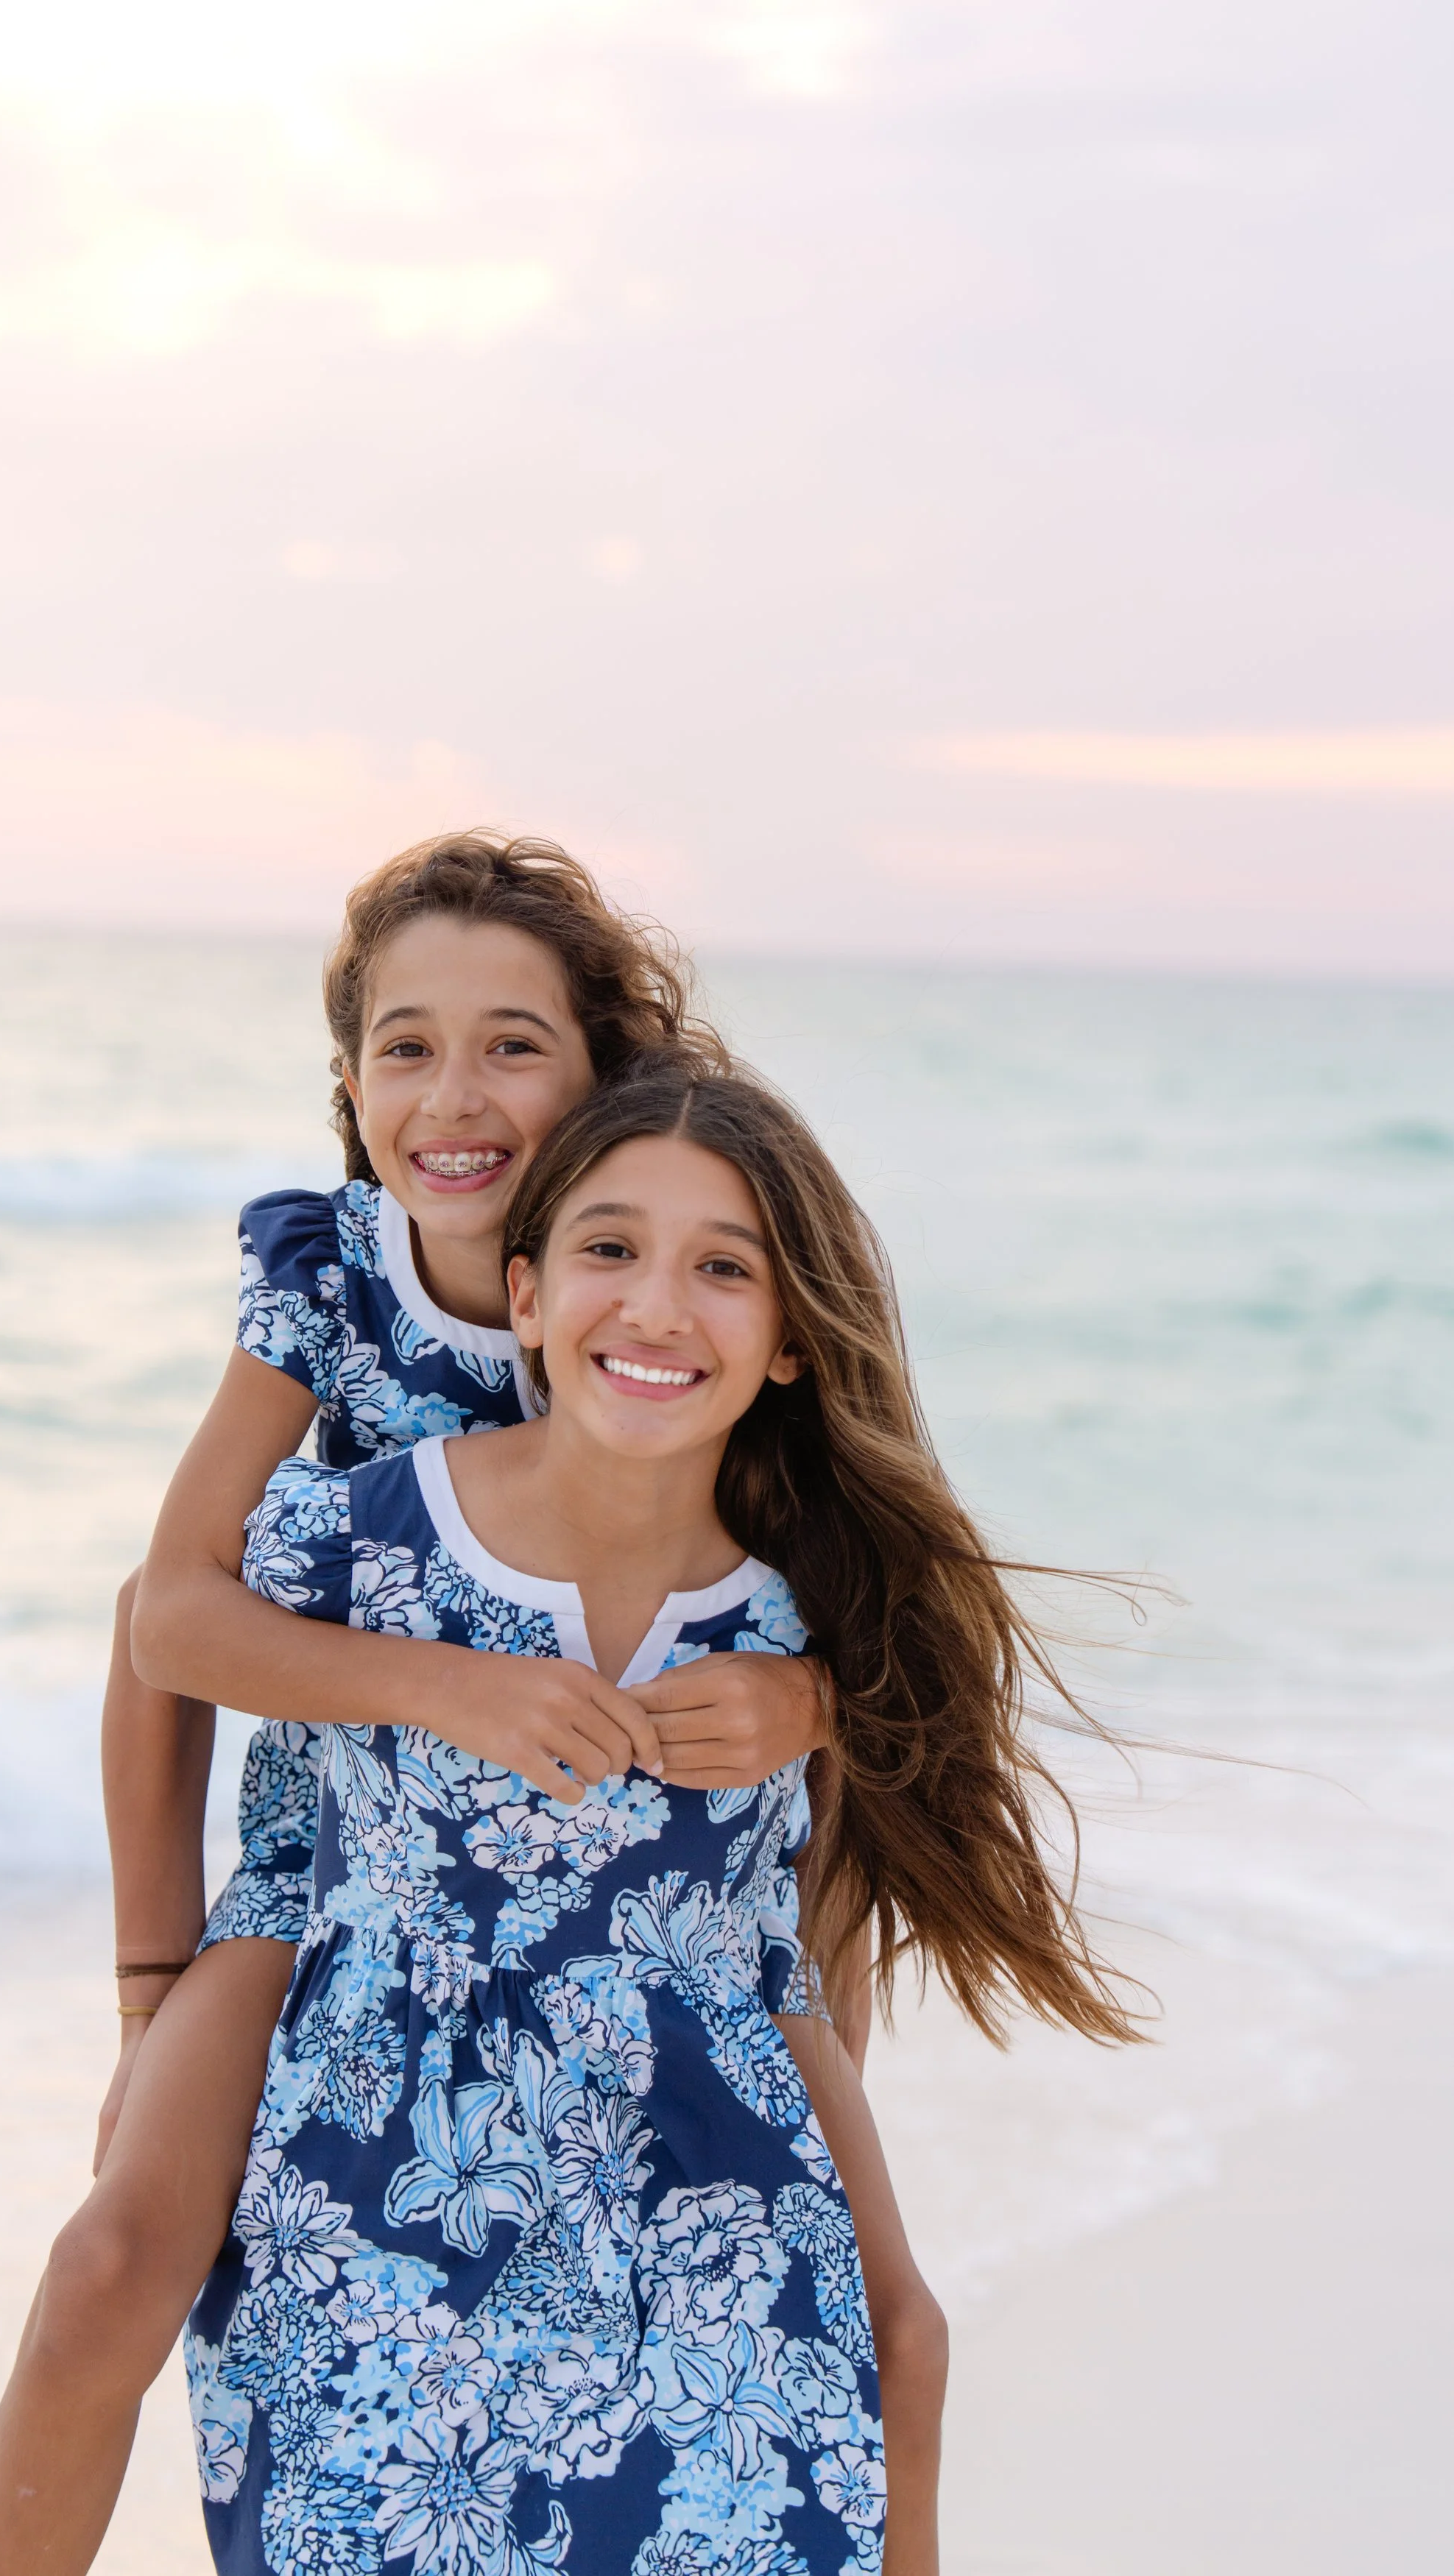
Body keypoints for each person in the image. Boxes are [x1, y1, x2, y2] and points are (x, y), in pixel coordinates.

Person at [0, 836, 829, 2574]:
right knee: (110, 2267)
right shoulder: (334, 1283)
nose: (454, 1094)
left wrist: (800, 1695)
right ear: (347, 1086)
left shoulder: (676, 1291)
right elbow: (169, 1619)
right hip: (345, 1878)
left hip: (645, 1917)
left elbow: (864, 1628)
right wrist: (152, 1988)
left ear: (601, 1070)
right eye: (404, 1046)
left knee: (840, 2333)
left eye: (513, 1042)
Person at [180, 1058, 1137, 2576]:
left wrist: (813, 1701)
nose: (655, 1304)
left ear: (787, 1345)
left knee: (851, 2422)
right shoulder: (378, 1526)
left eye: (722, 1267)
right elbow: (170, 1631)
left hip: (705, 2165)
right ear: (526, 1301)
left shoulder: (803, 1601)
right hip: (386, 2166)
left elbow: (934, 1722)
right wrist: (440, 1691)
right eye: (609, 1249)